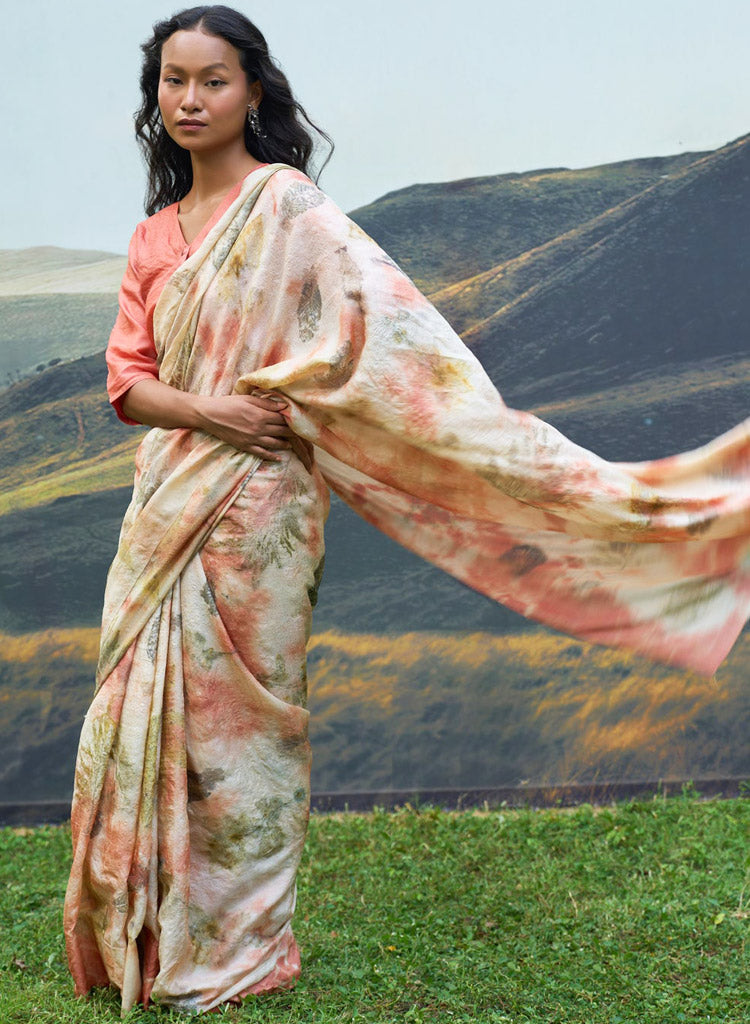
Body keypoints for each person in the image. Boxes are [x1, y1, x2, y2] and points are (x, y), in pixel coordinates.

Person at [63, 3, 750, 1017]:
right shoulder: (152, 237)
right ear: (153, 94)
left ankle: (242, 947)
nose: (190, 99)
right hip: (168, 495)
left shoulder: (291, 209)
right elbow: (128, 382)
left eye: (212, 80)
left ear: (252, 91)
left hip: (262, 507)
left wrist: (415, 424)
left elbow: (385, 340)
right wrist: (214, 410)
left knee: (246, 728)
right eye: (173, 80)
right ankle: (152, 934)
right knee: (135, 708)